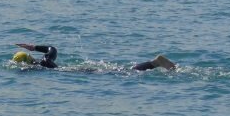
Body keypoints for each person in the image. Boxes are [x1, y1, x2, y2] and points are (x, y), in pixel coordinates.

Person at [13, 43, 176, 71]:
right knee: (122, 71)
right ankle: (155, 63)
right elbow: (53, 49)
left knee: (125, 73)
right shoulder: (45, 60)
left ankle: (156, 62)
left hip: (82, 73)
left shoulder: (41, 67)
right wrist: (34, 47)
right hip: (80, 70)